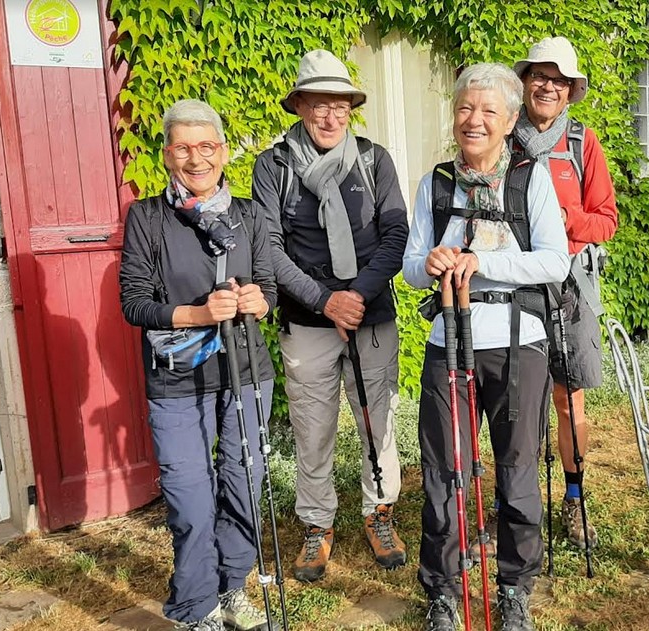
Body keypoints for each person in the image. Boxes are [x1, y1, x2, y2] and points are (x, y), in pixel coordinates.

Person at [403, 62, 569, 631]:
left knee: (517, 468)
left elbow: (554, 259)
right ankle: (443, 592)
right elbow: (409, 265)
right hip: (447, 341)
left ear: (510, 121)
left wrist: (484, 262)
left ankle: (514, 587)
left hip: (518, 343)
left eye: (487, 112)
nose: (473, 121)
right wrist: (428, 265)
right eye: (465, 110)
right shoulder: (436, 182)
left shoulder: (530, 179)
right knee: (443, 470)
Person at [252, 49, 409, 583]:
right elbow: (268, 247)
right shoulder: (273, 167)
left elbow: (395, 236)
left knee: (376, 422)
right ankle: (317, 523)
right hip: (308, 321)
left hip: (370, 315)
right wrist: (324, 300)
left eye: (338, 105)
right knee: (312, 428)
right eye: (317, 104)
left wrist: (356, 295)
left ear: (350, 108)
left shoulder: (374, 159)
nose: (329, 116)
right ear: (299, 106)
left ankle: (378, 510)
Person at [120, 99, 277, 631]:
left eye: (206, 146)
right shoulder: (147, 217)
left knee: (245, 484)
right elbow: (134, 303)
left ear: (224, 152)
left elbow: (270, 287)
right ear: (167, 155)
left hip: (245, 372)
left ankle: (232, 588)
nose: (196, 159)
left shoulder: (250, 215)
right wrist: (197, 313)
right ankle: (195, 607)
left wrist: (260, 301)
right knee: (189, 498)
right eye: (183, 148)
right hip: (177, 378)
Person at [511, 36, 618, 551]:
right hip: (513, 285)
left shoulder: (582, 143)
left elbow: (606, 221)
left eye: (558, 80)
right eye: (539, 76)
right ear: (525, 82)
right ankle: (519, 501)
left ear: (571, 90)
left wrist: (558, 219)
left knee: (568, 399)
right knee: (516, 402)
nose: (547, 86)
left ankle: (574, 499)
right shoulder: (501, 139)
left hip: (570, 285)